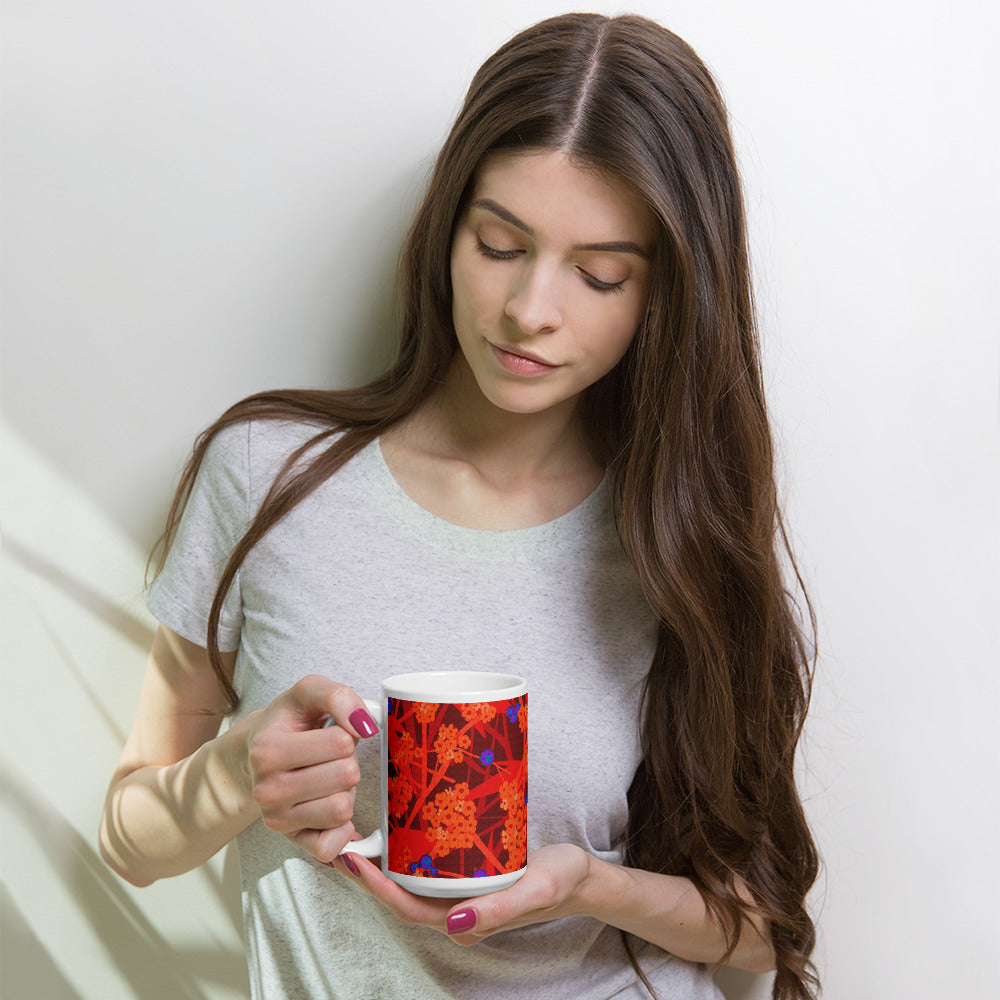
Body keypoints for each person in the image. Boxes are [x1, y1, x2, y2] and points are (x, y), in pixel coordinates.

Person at [99, 12, 819, 1000]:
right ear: (447, 229)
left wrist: (591, 884)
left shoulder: (673, 536)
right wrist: (234, 775)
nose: (531, 309)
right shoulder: (265, 476)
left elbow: (759, 929)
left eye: (600, 273)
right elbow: (130, 840)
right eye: (497, 243)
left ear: (664, 297)